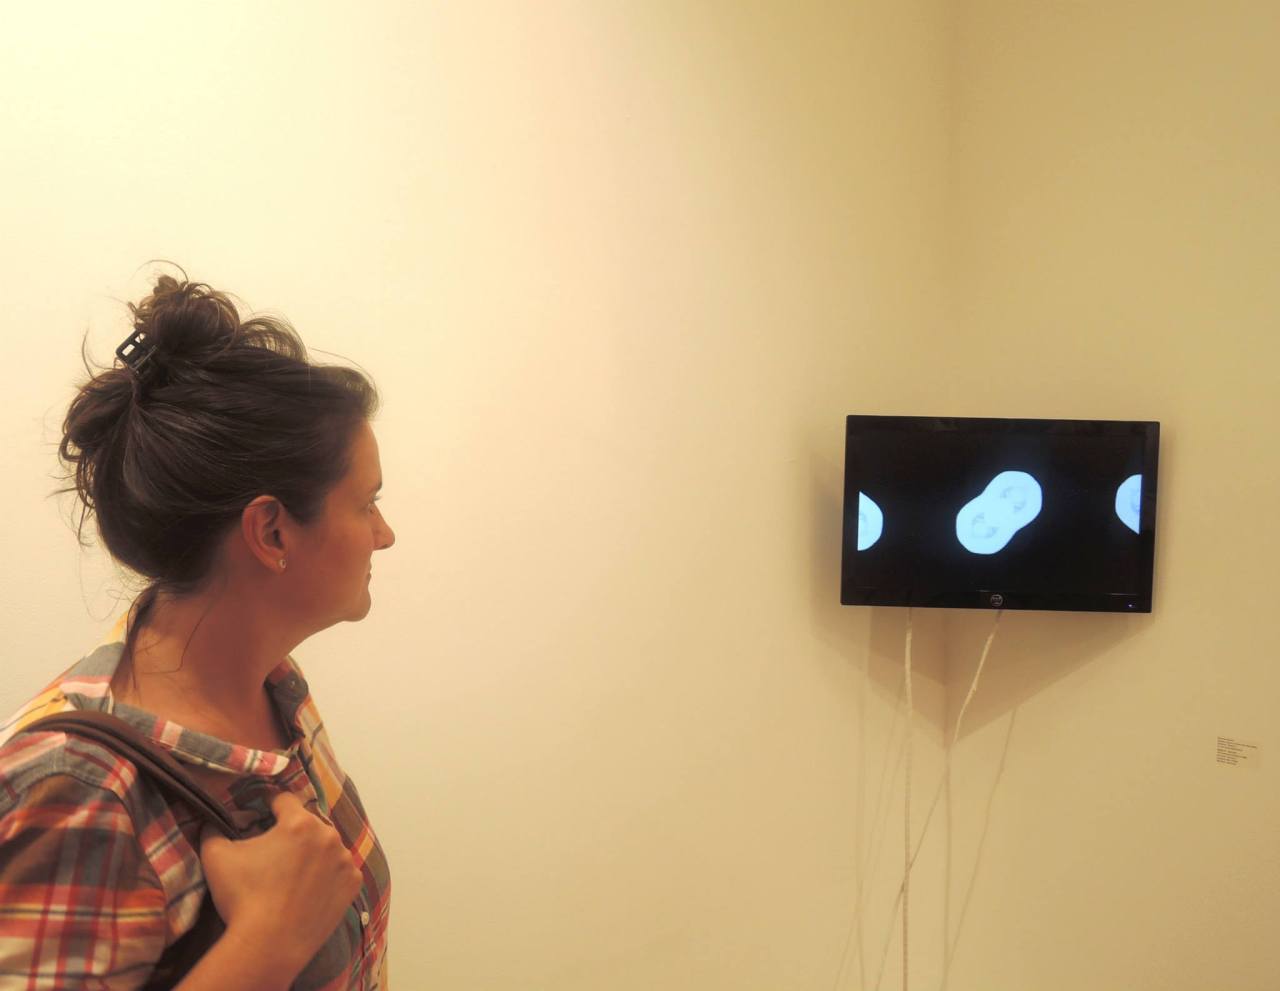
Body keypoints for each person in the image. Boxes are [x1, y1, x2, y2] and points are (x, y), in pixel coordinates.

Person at [0, 267, 396, 990]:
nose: (385, 533)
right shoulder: (76, 789)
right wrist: (265, 946)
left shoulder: (273, 685)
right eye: (366, 502)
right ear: (272, 531)